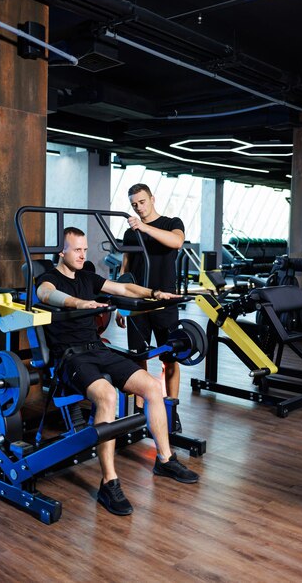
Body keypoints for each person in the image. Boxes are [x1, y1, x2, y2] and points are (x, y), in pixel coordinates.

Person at [36, 226, 198, 517]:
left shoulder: (87, 276)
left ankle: (165, 458)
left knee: (151, 386)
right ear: (61, 251)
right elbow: (47, 295)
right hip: (69, 358)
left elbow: (123, 288)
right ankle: (109, 482)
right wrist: (79, 303)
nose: (83, 254)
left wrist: (155, 293)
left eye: (85, 249)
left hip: (96, 349)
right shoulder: (48, 278)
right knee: (108, 396)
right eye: (76, 249)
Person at [116, 183, 184, 430]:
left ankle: (171, 409)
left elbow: (176, 242)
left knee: (170, 358)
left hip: (165, 302)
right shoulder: (130, 233)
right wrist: (120, 306)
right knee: (138, 358)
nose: (139, 208)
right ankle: (141, 410)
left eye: (142, 202)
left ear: (152, 199)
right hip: (136, 304)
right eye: (134, 204)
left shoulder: (171, 222)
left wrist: (144, 227)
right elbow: (125, 269)